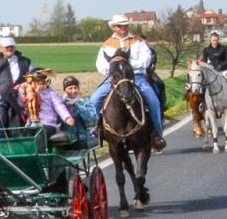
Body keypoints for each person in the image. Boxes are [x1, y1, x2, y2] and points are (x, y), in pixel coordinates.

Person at [91, 15, 166, 151]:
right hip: (114, 78)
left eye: (125, 26)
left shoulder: (138, 41)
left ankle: (157, 135)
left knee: (153, 100)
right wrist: (115, 68)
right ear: (114, 27)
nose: (123, 28)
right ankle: (96, 131)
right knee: (94, 100)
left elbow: (146, 58)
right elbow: (100, 64)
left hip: (136, 77)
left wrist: (128, 65)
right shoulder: (107, 44)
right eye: (119, 26)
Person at [18, 68, 76, 143]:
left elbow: (59, 106)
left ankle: (41, 154)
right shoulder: (28, 93)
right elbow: (21, 102)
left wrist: (67, 117)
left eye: (44, 83)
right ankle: (26, 154)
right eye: (39, 83)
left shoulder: (51, 94)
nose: (41, 86)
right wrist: (21, 89)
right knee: (25, 137)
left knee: (40, 137)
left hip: (48, 124)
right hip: (31, 124)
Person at [61, 75, 100, 147]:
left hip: (83, 137)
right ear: (65, 90)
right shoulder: (60, 103)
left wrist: (77, 106)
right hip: (67, 137)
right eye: (70, 88)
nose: (73, 91)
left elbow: (92, 118)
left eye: (75, 88)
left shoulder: (86, 101)